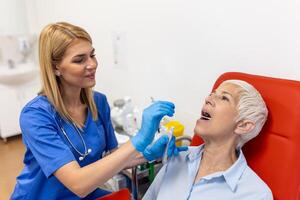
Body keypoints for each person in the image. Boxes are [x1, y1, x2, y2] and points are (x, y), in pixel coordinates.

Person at [11, 22, 186, 200]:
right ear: (55, 67)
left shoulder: (98, 102)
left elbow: (111, 158)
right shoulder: (36, 116)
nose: (92, 64)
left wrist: (146, 154)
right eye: (79, 60)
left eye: (92, 55)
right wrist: (139, 139)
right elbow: (78, 184)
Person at [143, 79, 273, 200]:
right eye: (212, 94)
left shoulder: (256, 194)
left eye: (224, 98)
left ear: (243, 125)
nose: (208, 99)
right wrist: (140, 152)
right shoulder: (177, 158)